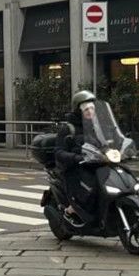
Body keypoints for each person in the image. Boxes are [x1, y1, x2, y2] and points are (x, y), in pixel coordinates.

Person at [54, 90, 101, 225]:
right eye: (86, 109)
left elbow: (108, 141)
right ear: (78, 110)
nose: (90, 112)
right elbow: (58, 152)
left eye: (92, 108)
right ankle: (71, 210)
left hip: (95, 164)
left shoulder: (96, 126)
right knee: (89, 187)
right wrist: (75, 157)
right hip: (75, 168)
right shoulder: (68, 129)